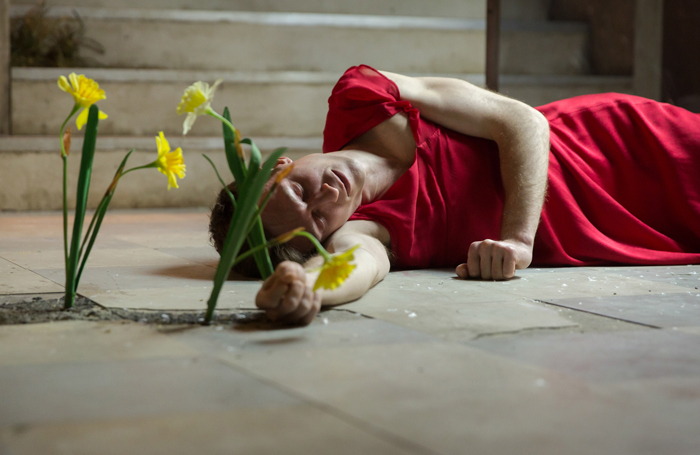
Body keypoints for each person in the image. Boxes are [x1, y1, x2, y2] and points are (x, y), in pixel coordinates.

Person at [210, 64, 700, 326]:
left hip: (618, 143)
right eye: (316, 219)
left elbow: (522, 121)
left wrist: (517, 240)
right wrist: (306, 288)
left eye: (298, 188)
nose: (324, 197)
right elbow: (356, 267)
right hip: (619, 228)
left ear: (280, 164)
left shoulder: (363, 98)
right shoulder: (370, 229)